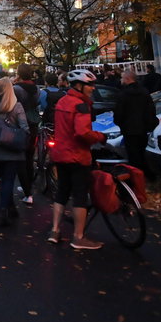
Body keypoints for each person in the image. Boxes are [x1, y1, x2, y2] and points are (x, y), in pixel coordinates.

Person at [48, 70, 107, 250]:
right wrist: (99, 137)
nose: (93, 88)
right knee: (80, 195)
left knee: (62, 192)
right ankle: (78, 237)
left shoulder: (62, 101)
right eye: (90, 85)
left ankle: (55, 230)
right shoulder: (81, 105)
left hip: (60, 153)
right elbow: (82, 132)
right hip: (77, 155)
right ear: (79, 86)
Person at [0, 78, 30, 227]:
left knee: (4, 178)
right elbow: (25, 128)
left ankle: (10, 207)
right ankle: (3, 210)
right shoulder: (16, 106)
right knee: (8, 179)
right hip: (13, 147)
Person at [114, 70, 159, 180]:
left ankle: (136, 177)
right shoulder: (144, 92)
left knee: (133, 155)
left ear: (127, 79)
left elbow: (119, 113)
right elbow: (151, 111)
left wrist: (121, 124)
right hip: (143, 129)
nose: (121, 80)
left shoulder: (123, 94)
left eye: (122, 78)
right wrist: (149, 125)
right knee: (143, 152)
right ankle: (147, 175)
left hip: (129, 130)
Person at [13, 64, 41, 206]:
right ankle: (28, 184)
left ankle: (26, 189)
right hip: (34, 121)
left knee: (21, 156)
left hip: (21, 122)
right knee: (30, 155)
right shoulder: (36, 88)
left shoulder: (16, 89)